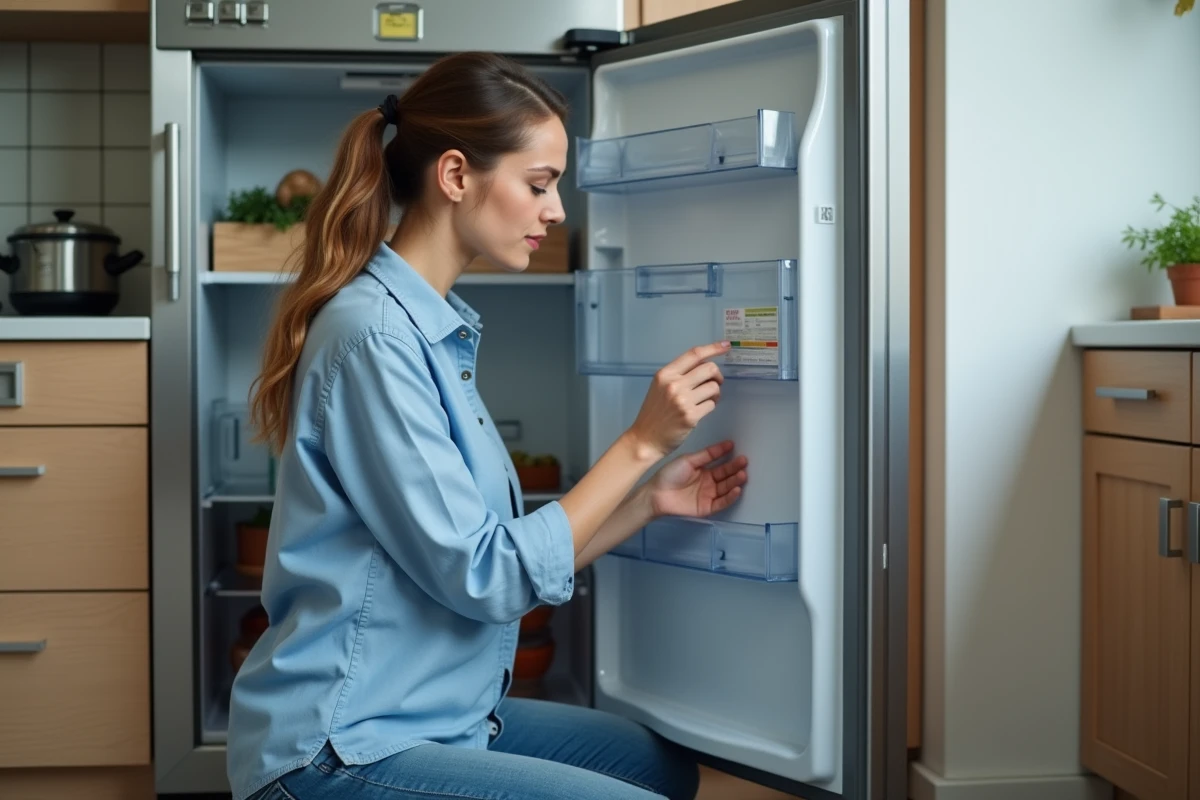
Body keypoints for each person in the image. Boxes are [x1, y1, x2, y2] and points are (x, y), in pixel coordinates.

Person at [226, 51, 750, 800]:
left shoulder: (427, 329)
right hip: (344, 743)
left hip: (435, 714)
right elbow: (487, 575)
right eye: (538, 184)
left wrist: (649, 501)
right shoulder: (375, 337)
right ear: (454, 176)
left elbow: (497, 567)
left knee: (657, 767)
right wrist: (638, 445)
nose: (558, 209)